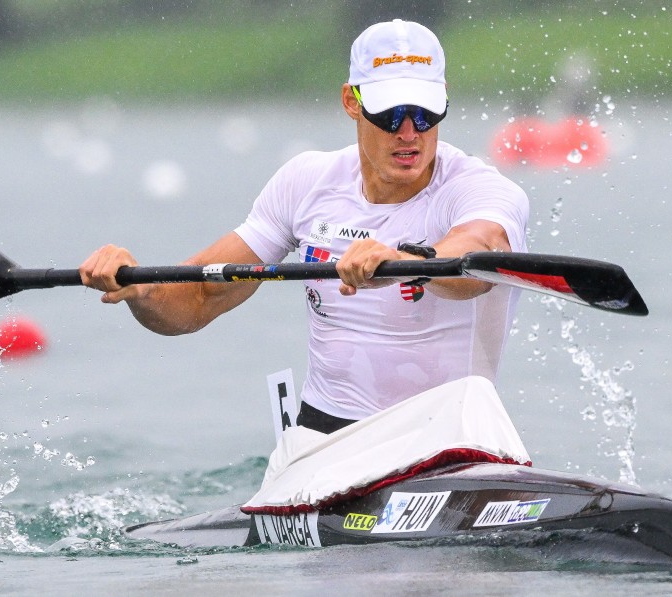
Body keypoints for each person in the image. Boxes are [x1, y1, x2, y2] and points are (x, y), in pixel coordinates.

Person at [79, 19, 529, 434]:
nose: (410, 132)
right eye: (391, 114)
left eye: (425, 112)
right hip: (323, 439)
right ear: (351, 102)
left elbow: (480, 251)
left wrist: (405, 262)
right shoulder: (306, 182)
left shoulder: (481, 191)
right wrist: (142, 289)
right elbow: (198, 296)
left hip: (447, 436)